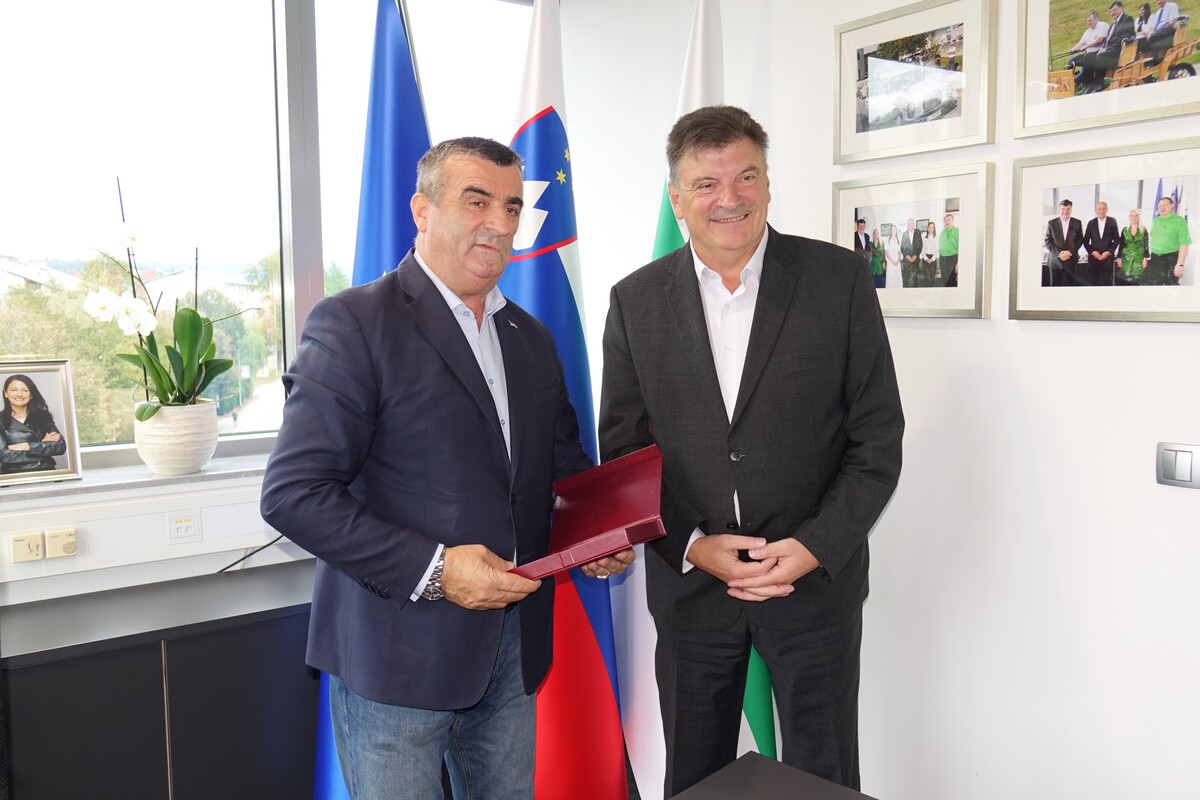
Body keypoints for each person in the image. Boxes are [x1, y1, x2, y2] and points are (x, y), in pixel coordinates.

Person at [260, 137, 633, 800]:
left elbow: (562, 471)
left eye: (512, 207)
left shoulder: (530, 336)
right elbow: (294, 495)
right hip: (395, 656)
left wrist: (601, 534)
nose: (499, 222)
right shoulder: (354, 323)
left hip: (513, 645)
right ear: (422, 211)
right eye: (477, 201)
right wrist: (435, 569)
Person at [599, 105, 904, 797]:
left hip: (812, 587)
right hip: (692, 590)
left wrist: (815, 546)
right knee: (695, 778)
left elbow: (877, 439)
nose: (729, 198)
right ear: (677, 197)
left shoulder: (839, 281)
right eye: (706, 183)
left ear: (768, 183)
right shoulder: (635, 302)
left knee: (824, 778)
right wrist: (692, 545)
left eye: (745, 176)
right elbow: (625, 451)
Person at [1, 374, 65, 474]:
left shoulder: (43, 416)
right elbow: (3, 455)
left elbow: (60, 446)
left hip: (47, 472)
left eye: (25, 390)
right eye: (14, 390)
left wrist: (27, 446)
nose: (19, 394)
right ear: (5, 393)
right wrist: (43, 445)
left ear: (31, 395)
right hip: (15, 476)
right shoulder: (1, 419)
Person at [1070, 2, 1136, 93]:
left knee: (1100, 56)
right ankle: (1089, 84)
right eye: (1111, 11)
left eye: (1114, 10)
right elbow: (1107, 40)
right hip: (1109, 50)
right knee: (1088, 56)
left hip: (1119, 51)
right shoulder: (1113, 25)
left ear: (1122, 8)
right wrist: (1103, 48)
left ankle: (1098, 84)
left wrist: (1106, 49)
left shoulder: (1127, 19)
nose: (1112, 13)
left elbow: (1124, 37)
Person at [1146, 195, 1190, 285]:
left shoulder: (1179, 221)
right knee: (1155, 286)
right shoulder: (1155, 221)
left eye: (1165, 205)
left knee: (1170, 287)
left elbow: (1184, 244)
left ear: (1172, 205)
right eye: (1160, 206)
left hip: (1170, 259)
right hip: (1155, 258)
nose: (1162, 208)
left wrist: (1180, 264)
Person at [1044, 198, 1084, 286]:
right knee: (1054, 288)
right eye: (1063, 209)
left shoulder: (1077, 223)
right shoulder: (1051, 223)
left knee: (1071, 288)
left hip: (1071, 261)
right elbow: (1047, 241)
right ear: (1059, 209)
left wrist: (1069, 252)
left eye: (1068, 209)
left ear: (1071, 209)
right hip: (1055, 262)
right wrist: (1059, 253)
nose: (1065, 211)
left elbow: (1080, 240)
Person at [1084, 200, 1121, 285]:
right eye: (1099, 209)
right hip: (1094, 259)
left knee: (1108, 284)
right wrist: (1092, 252)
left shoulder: (1112, 221)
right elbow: (1085, 241)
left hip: (1108, 259)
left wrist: (1109, 252)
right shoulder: (1091, 223)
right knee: (1094, 283)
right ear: (1096, 210)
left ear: (1107, 209)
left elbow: (1117, 239)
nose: (1101, 211)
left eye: (1103, 209)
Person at [1117, 208, 1150, 284]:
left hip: (1139, 258)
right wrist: (1119, 258)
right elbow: (1121, 245)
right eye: (1132, 216)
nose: (1134, 218)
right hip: (1126, 257)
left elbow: (1146, 245)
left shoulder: (1144, 230)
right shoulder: (1125, 230)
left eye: (1136, 216)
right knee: (1126, 280)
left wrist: (1145, 258)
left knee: (1137, 279)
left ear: (1139, 217)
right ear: (1129, 217)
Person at [900, 217, 922, 287]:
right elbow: (902, 247)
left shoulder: (918, 232)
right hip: (907, 260)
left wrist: (916, 255)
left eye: (912, 223)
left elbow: (920, 245)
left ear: (914, 224)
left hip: (916, 260)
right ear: (907, 225)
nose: (910, 225)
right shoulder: (904, 234)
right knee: (907, 279)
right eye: (909, 223)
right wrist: (907, 256)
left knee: (915, 279)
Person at [940, 213, 960, 287]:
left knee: (951, 280)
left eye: (949, 220)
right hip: (942, 258)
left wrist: (958, 263)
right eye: (945, 220)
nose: (947, 222)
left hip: (952, 258)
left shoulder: (957, 231)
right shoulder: (942, 232)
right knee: (944, 279)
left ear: (952, 221)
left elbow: (961, 248)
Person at [919, 221, 939, 286]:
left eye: (932, 227)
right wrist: (926, 258)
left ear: (934, 229)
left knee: (932, 277)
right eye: (929, 227)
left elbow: (937, 249)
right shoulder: (923, 237)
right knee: (926, 277)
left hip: (933, 258)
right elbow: (922, 249)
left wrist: (932, 259)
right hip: (925, 258)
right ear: (927, 228)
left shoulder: (936, 237)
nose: (930, 229)